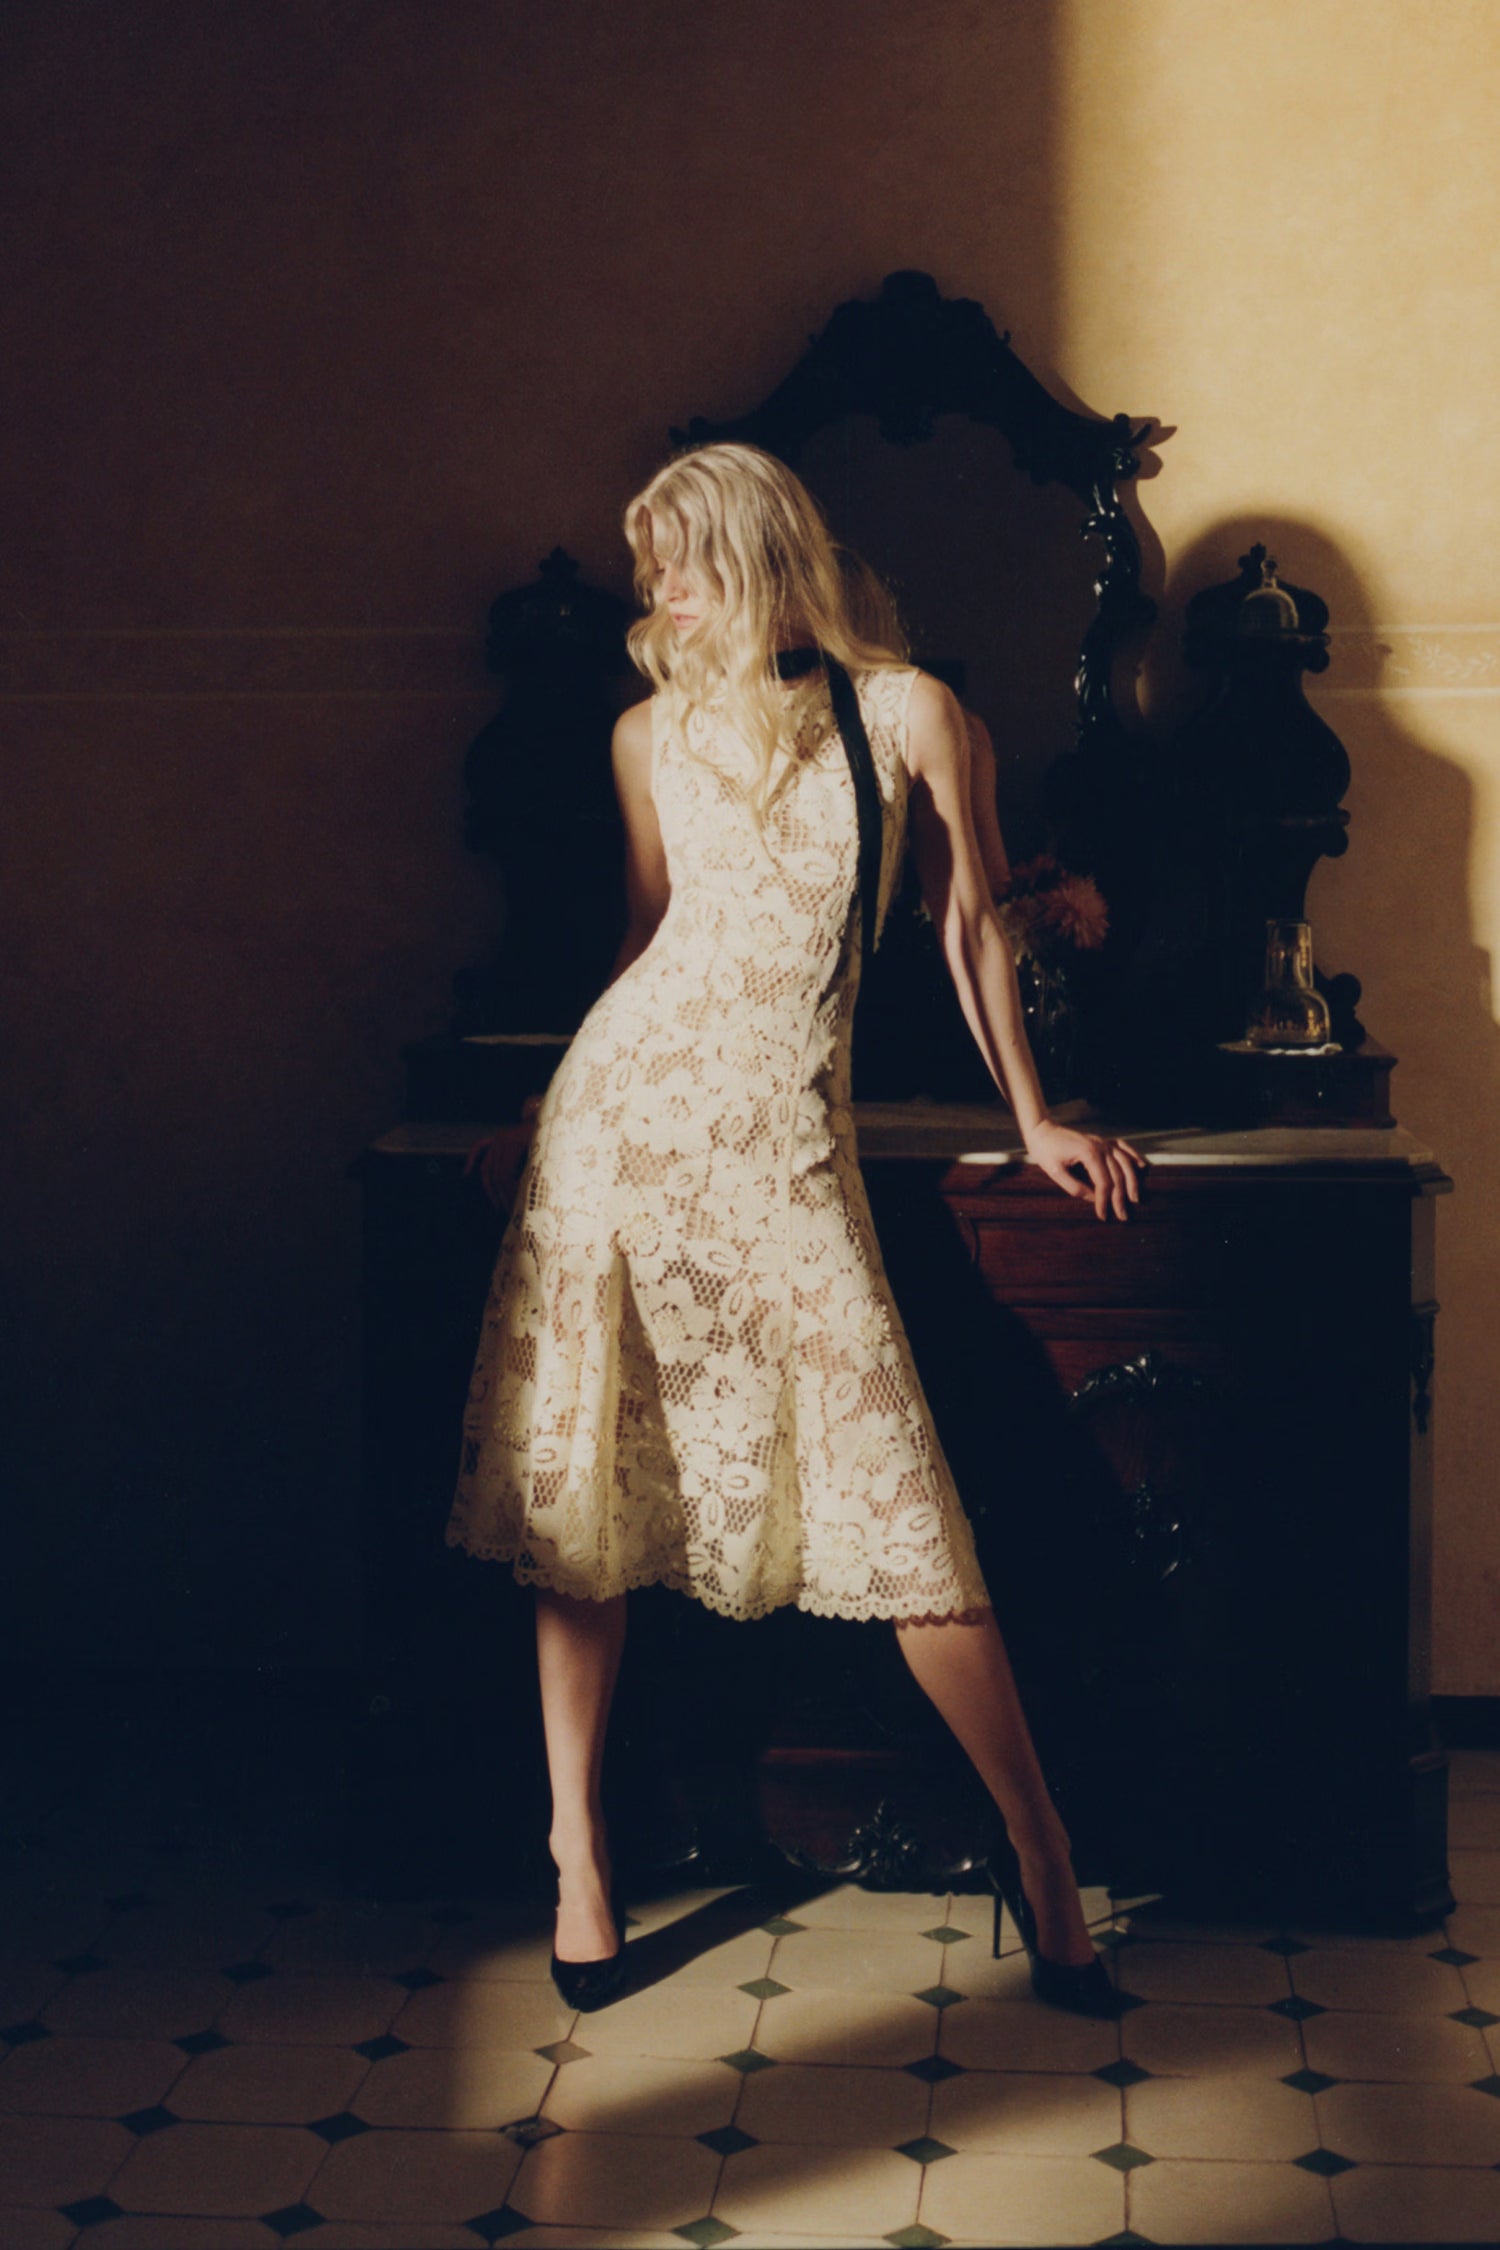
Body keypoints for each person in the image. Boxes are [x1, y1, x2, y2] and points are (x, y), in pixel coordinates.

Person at [445, 441, 1144, 2014]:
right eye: (651, 573)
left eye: (681, 563)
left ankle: (1042, 1858)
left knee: (906, 1520)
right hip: (621, 1140)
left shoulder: (904, 712)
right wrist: (549, 1105)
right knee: (589, 1507)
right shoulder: (647, 736)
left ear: (760, 553)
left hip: (786, 1162)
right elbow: (648, 941)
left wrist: (1031, 1114)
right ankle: (581, 1856)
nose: (662, 597)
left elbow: (969, 922)